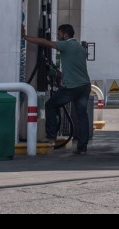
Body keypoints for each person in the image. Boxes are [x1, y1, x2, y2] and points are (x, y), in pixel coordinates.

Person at [22, 23, 91, 155]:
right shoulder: (80, 47)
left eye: (59, 34)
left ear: (65, 35)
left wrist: (25, 37)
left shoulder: (66, 45)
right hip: (84, 86)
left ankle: (51, 136)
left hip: (71, 88)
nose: (58, 36)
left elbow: (44, 42)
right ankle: (82, 147)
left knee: (50, 105)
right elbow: (74, 68)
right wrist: (59, 74)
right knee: (82, 116)